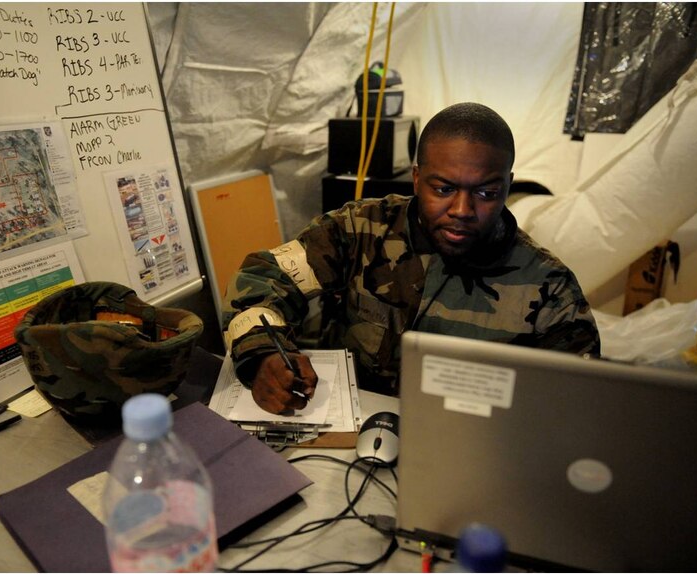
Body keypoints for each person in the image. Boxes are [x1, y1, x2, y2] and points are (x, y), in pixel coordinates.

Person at [222, 102, 601, 414]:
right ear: (417, 179)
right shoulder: (359, 232)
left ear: (507, 186)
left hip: (468, 452)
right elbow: (262, 277)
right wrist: (264, 353)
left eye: (486, 193)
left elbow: (574, 409)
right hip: (348, 434)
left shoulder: (549, 290)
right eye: (444, 189)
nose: (462, 210)